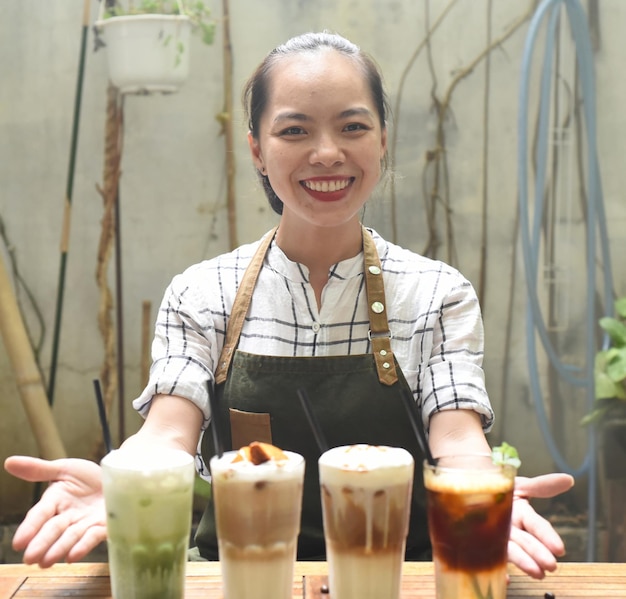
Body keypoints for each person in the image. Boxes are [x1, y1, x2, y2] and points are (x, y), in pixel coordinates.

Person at [4, 31, 574, 577]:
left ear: (381, 140)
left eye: (353, 126)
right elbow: (168, 435)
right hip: (239, 576)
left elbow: (456, 438)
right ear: (257, 149)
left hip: (399, 577)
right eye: (295, 131)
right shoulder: (203, 293)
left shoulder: (436, 293)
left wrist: (481, 492)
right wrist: (125, 480)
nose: (327, 153)